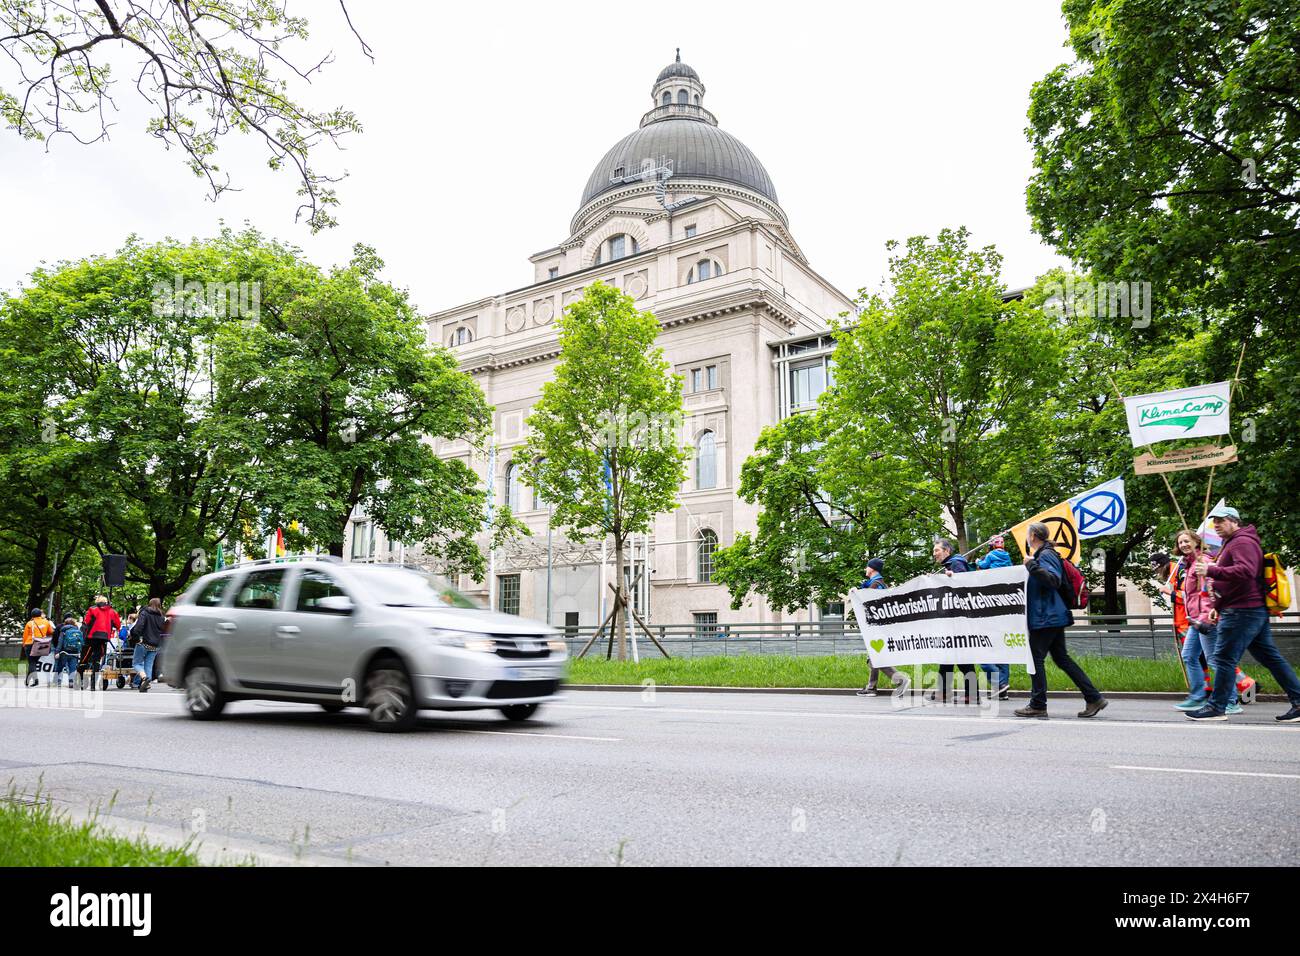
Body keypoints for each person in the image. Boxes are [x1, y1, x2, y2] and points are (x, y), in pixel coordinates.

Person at [1186, 506, 1300, 722]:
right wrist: (1217, 607)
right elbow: (1235, 582)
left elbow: (1246, 571)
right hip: (1248, 609)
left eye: (1220, 521)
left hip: (1242, 611)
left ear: (1234, 521)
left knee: (1223, 658)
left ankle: (1217, 707)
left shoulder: (1242, 542)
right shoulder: (1235, 542)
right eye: (1214, 522)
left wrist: (1210, 570)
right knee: (1270, 657)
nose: (1216, 526)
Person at [1014, 522, 1107, 719]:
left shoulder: (1045, 555)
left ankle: (1038, 704)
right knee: (1062, 659)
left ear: (1033, 536)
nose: (1026, 538)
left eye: (1027, 534)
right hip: (1051, 615)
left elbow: (1053, 580)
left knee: (1035, 658)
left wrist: (1030, 565)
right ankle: (1093, 698)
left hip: (1047, 616)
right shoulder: (1044, 554)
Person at [1170, 531, 1242, 714]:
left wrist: (1207, 618)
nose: (1183, 545)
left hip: (1207, 619)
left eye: (1187, 541)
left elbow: (1211, 591)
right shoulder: (1189, 564)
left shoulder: (1203, 562)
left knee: (1215, 660)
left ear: (1196, 541)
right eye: (1180, 543)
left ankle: (1231, 701)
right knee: (1189, 656)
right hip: (1195, 620)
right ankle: (1197, 697)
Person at [931, 538, 979, 703]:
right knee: (948, 656)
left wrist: (953, 577)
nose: (934, 553)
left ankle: (971, 693)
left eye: (937, 550)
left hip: (958, 621)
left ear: (947, 551)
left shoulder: (956, 564)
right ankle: (944, 691)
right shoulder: (949, 566)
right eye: (934, 550)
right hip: (952, 620)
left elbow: (965, 586)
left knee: (961, 657)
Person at [855, 558, 909, 697]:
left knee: (876, 657)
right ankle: (871, 688)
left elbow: (870, 605)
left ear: (872, 568)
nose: (865, 569)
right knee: (875, 657)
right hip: (879, 628)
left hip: (877, 628)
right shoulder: (879, 583)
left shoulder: (875, 585)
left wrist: (857, 594)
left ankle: (901, 680)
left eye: (867, 567)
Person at [976, 534, 1012, 699]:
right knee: (1002, 651)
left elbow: (983, 566)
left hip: (990, 602)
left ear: (991, 546)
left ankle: (1000, 684)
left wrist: (977, 562)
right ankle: (1003, 689)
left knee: (984, 655)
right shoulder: (1007, 556)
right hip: (1004, 604)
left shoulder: (990, 556)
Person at [79, 594, 121, 692]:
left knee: (84, 659)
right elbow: (118, 625)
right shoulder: (112, 611)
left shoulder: (92, 610)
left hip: (91, 637)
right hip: (103, 638)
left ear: (97, 601)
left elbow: (87, 622)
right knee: (97, 661)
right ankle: (93, 684)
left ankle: (80, 680)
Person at [130, 598, 166, 693]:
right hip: (155, 644)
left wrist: (134, 636)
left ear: (150, 604)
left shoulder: (145, 612)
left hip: (143, 641)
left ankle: (145, 678)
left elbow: (139, 626)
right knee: (149, 664)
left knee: (136, 663)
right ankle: (146, 684)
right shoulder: (162, 616)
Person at [21, 608, 54, 687]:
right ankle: (27, 681)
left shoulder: (29, 623)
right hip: (41, 644)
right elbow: (51, 632)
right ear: (40, 614)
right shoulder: (46, 622)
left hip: (30, 644)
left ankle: (36, 681)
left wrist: (24, 644)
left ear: (32, 615)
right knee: (33, 663)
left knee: (32, 663)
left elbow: (25, 635)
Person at [52, 614, 84, 688]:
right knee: (72, 668)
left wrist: (57, 652)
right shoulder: (78, 631)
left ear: (65, 624)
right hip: (75, 652)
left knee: (60, 666)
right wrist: (80, 652)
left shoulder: (63, 631)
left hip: (64, 652)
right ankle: (71, 682)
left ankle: (58, 681)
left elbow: (60, 642)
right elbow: (81, 642)